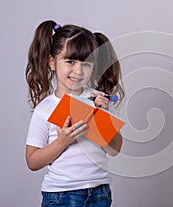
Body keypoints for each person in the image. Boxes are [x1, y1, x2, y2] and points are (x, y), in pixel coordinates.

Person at [25, 20, 124, 207]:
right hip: (61, 194)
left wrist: (103, 118)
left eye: (86, 64)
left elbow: (114, 149)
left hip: (99, 191)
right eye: (70, 61)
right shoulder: (45, 109)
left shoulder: (98, 100)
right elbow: (32, 161)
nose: (78, 71)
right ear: (52, 63)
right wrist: (62, 142)